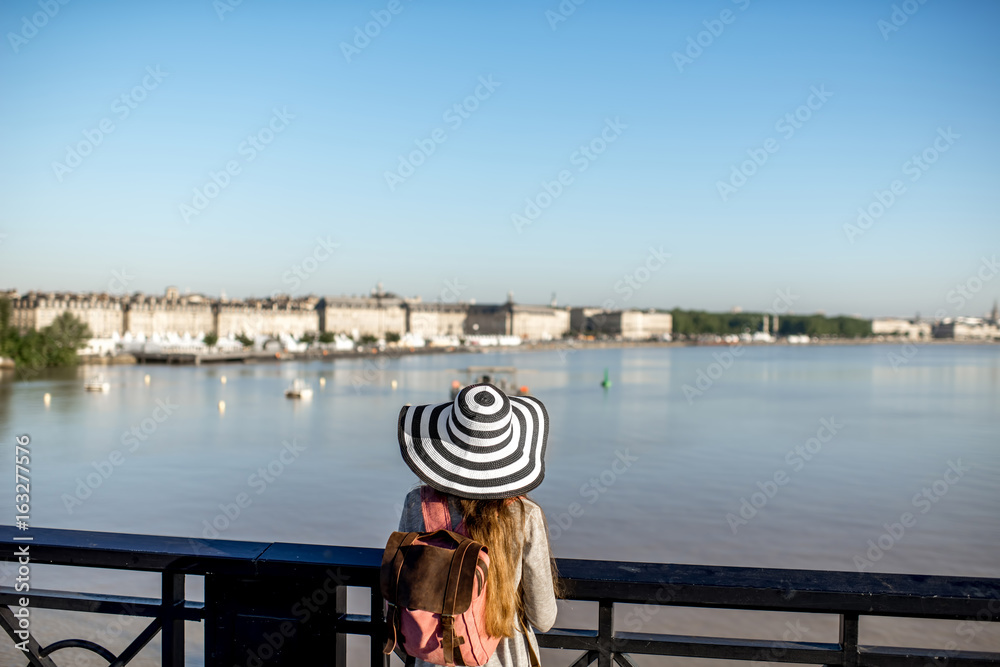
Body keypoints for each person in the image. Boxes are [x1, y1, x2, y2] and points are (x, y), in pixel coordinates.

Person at [396, 382, 560, 667]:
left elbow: (404, 589)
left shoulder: (417, 504)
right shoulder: (525, 515)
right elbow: (543, 618)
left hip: (436, 656)